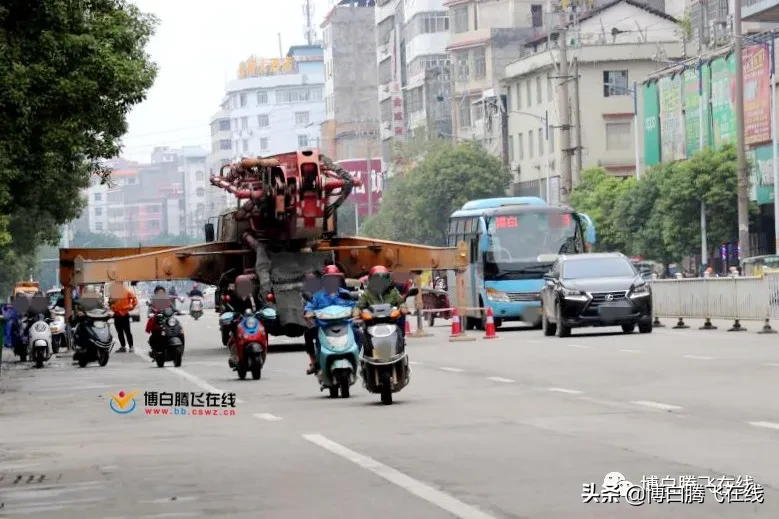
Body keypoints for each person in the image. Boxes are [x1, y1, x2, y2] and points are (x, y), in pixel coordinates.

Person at [303, 265, 357, 374]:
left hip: (345, 325)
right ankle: (314, 362)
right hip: (324, 327)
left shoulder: (345, 294)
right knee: (308, 334)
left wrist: (356, 311)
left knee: (360, 334)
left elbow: (354, 306)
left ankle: (357, 358)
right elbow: (309, 307)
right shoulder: (318, 296)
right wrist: (309, 313)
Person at [353, 265, 409, 356]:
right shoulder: (368, 293)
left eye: (383, 279)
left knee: (399, 333)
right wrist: (356, 311)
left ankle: (401, 356)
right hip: (372, 324)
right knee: (363, 338)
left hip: (390, 323)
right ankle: (364, 361)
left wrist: (403, 307)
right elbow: (359, 305)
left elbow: (400, 301)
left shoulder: (393, 291)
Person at [109, 281, 138, 353]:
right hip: (117, 315)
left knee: (127, 332)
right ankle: (123, 347)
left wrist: (131, 307)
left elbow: (134, 299)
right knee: (120, 332)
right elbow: (110, 302)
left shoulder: (127, 291)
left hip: (125, 315)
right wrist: (112, 307)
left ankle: (131, 347)